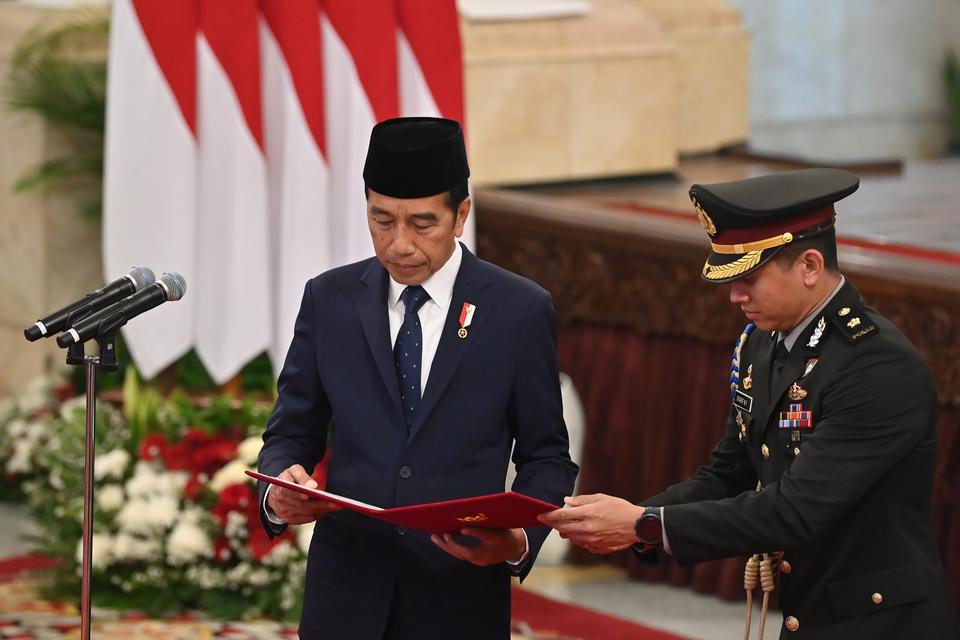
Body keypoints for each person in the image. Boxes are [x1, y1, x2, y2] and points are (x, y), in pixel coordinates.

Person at [539, 169, 959, 639]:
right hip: (812, 614)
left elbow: (794, 510)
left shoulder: (875, 364)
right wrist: (631, 518)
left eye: (750, 278)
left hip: (883, 625)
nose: (736, 294)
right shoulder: (764, 344)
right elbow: (730, 472)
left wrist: (644, 525)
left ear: (810, 267)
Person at [256, 116, 578, 640]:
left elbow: (547, 457)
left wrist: (518, 539)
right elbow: (291, 431)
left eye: (421, 224)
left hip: (458, 598)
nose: (399, 244)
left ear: (460, 215)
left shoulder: (518, 311)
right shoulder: (329, 300)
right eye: (381, 220)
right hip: (346, 597)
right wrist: (279, 488)